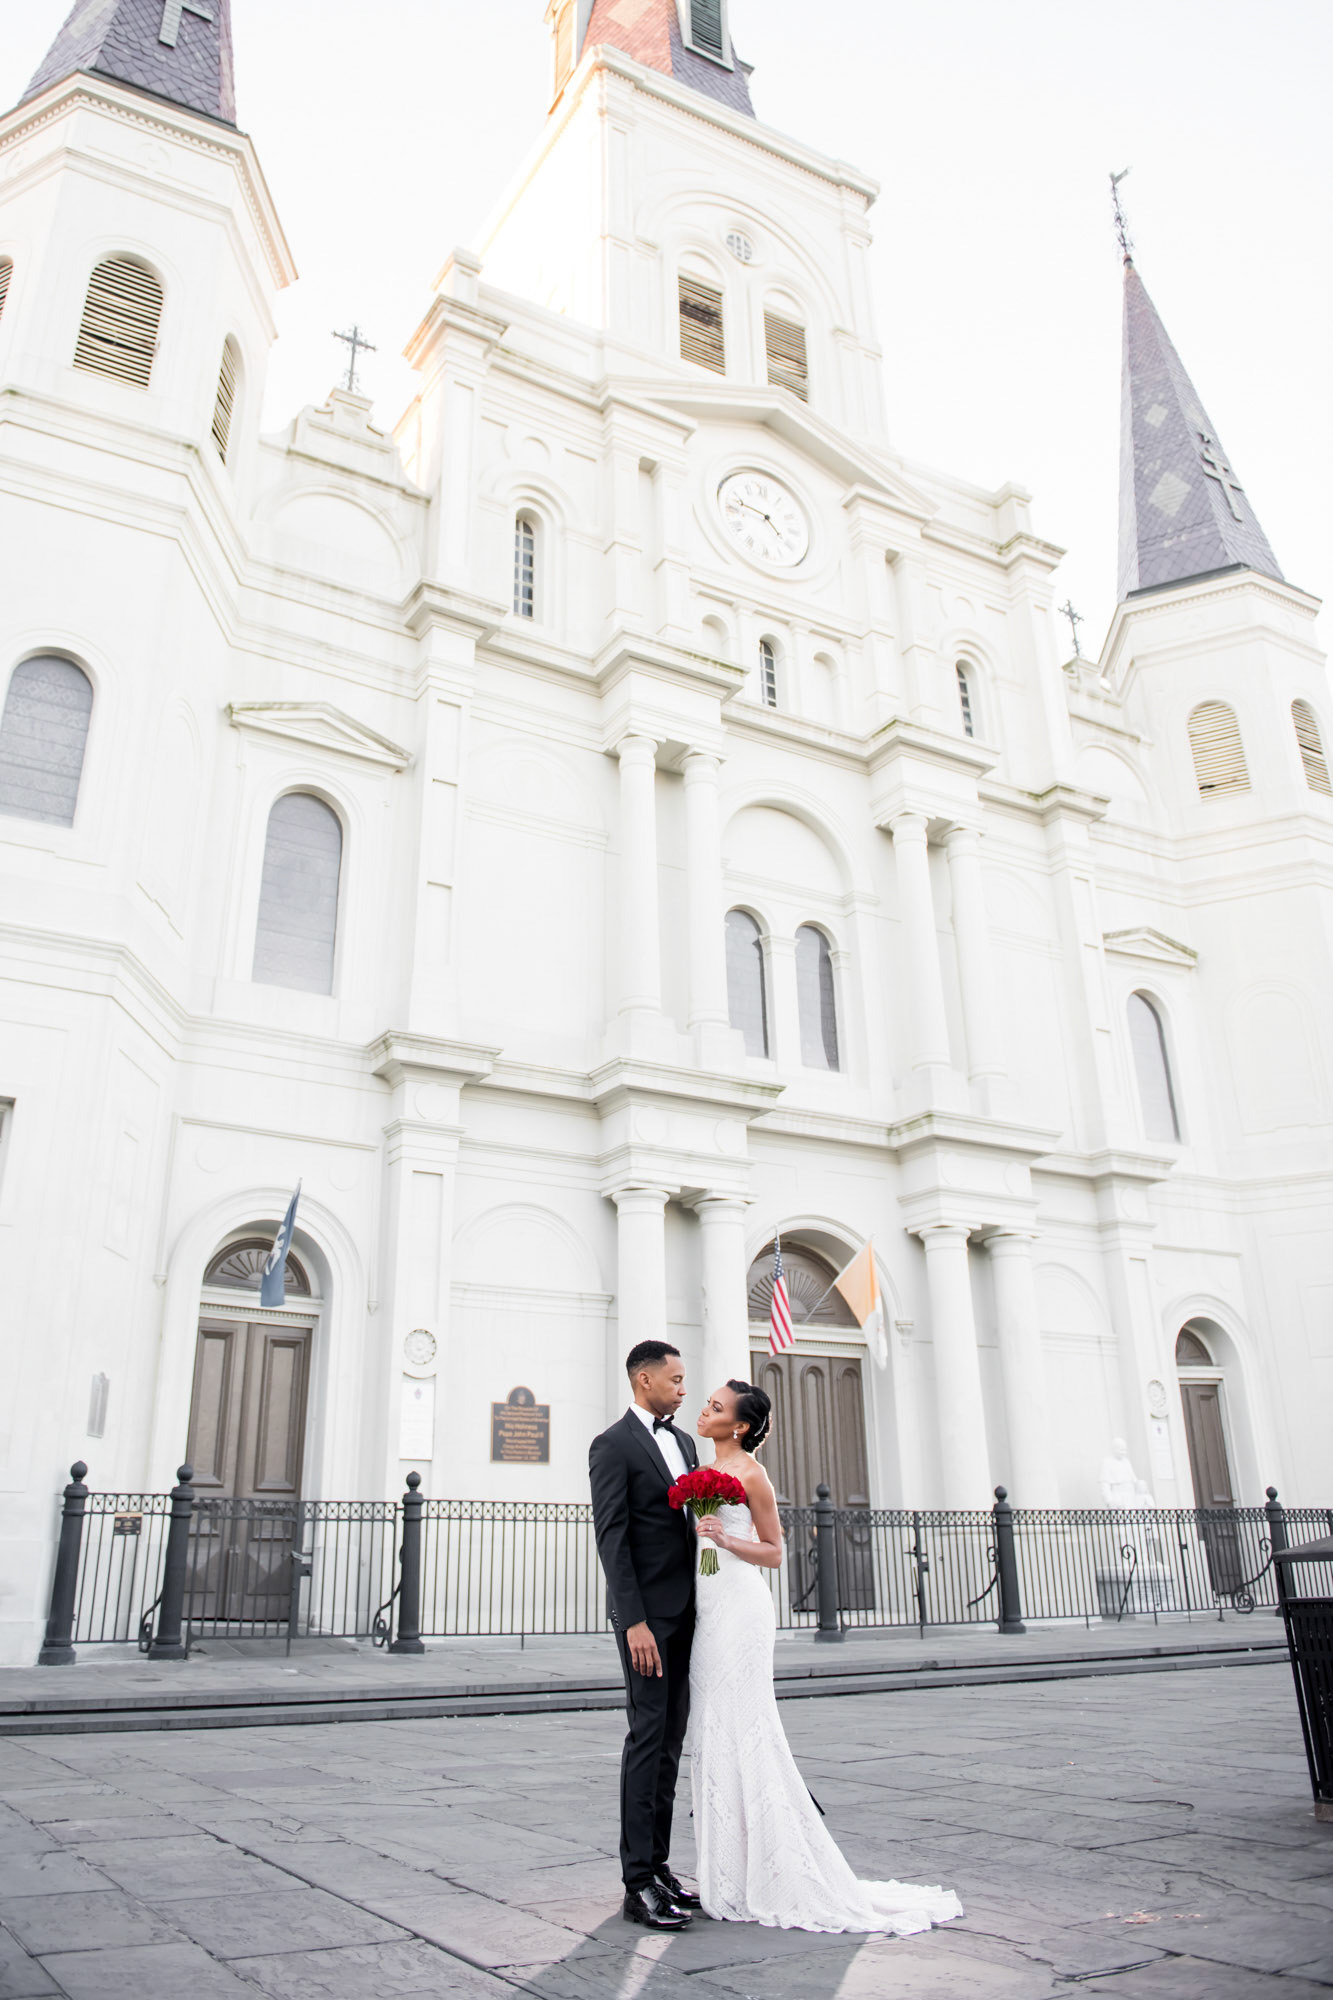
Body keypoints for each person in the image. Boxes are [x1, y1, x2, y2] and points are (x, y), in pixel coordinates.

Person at [689, 1378, 964, 1935]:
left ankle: (775, 1867)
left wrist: (724, 1541)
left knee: (748, 1727)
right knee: (713, 1729)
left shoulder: (752, 1474)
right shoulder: (700, 1473)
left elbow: (773, 1551)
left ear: (739, 1425)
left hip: (742, 1609)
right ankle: (728, 1871)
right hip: (708, 1606)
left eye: (716, 1407)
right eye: (708, 1402)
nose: (705, 1408)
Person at [588, 1340, 701, 1931]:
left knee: (672, 1741)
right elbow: (612, 1537)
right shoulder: (612, 1446)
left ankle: (659, 1868)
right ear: (643, 1380)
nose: (684, 1388)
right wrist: (633, 1621)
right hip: (647, 1622)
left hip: (687, 1614)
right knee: (647, 1737)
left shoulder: (682, 1442)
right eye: (675, 1379)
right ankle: (637, 1883)